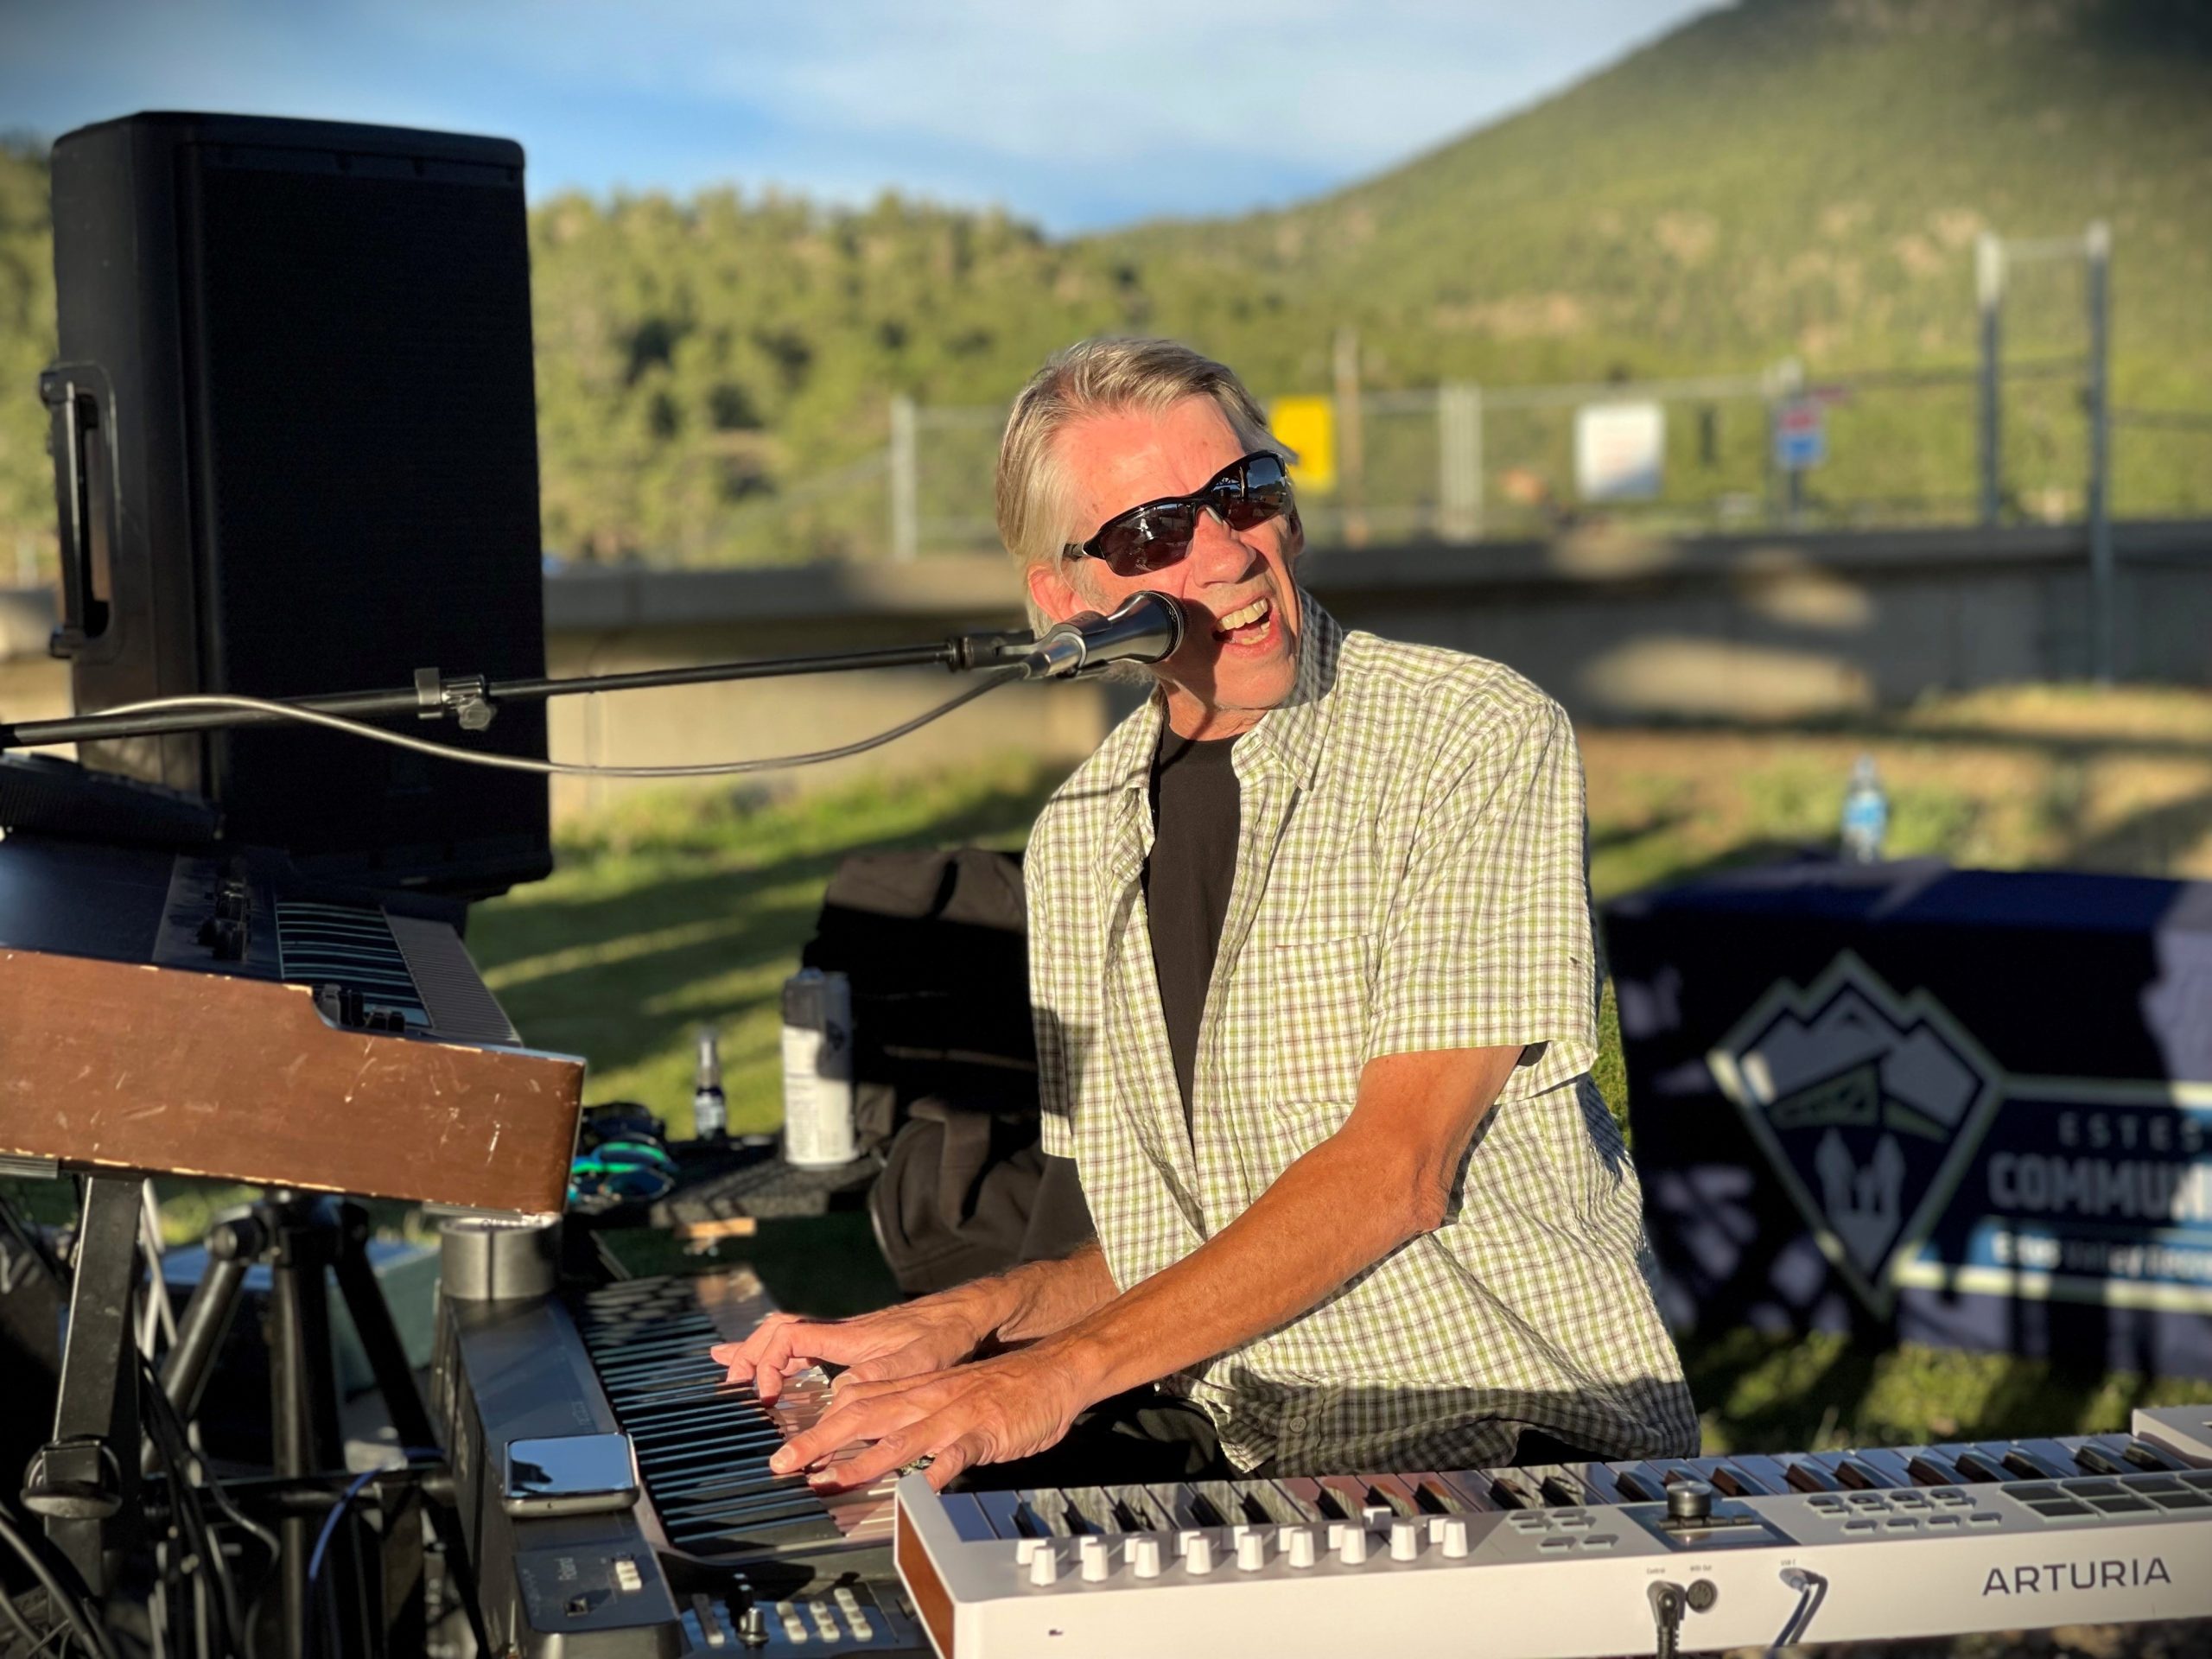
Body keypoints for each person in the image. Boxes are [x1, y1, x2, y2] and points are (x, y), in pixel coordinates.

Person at [714, 337, 1697, 1492]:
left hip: (1501, 1441)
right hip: (1251, 1448)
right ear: (1064, 600)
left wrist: (1051, 1375)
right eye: (1153, 533)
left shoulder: (1470, 737)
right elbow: (1165, 1238)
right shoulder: (1077, 838)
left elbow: (1398, 1169)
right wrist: (971, 1319)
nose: (1231, 551)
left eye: (1246, 493)